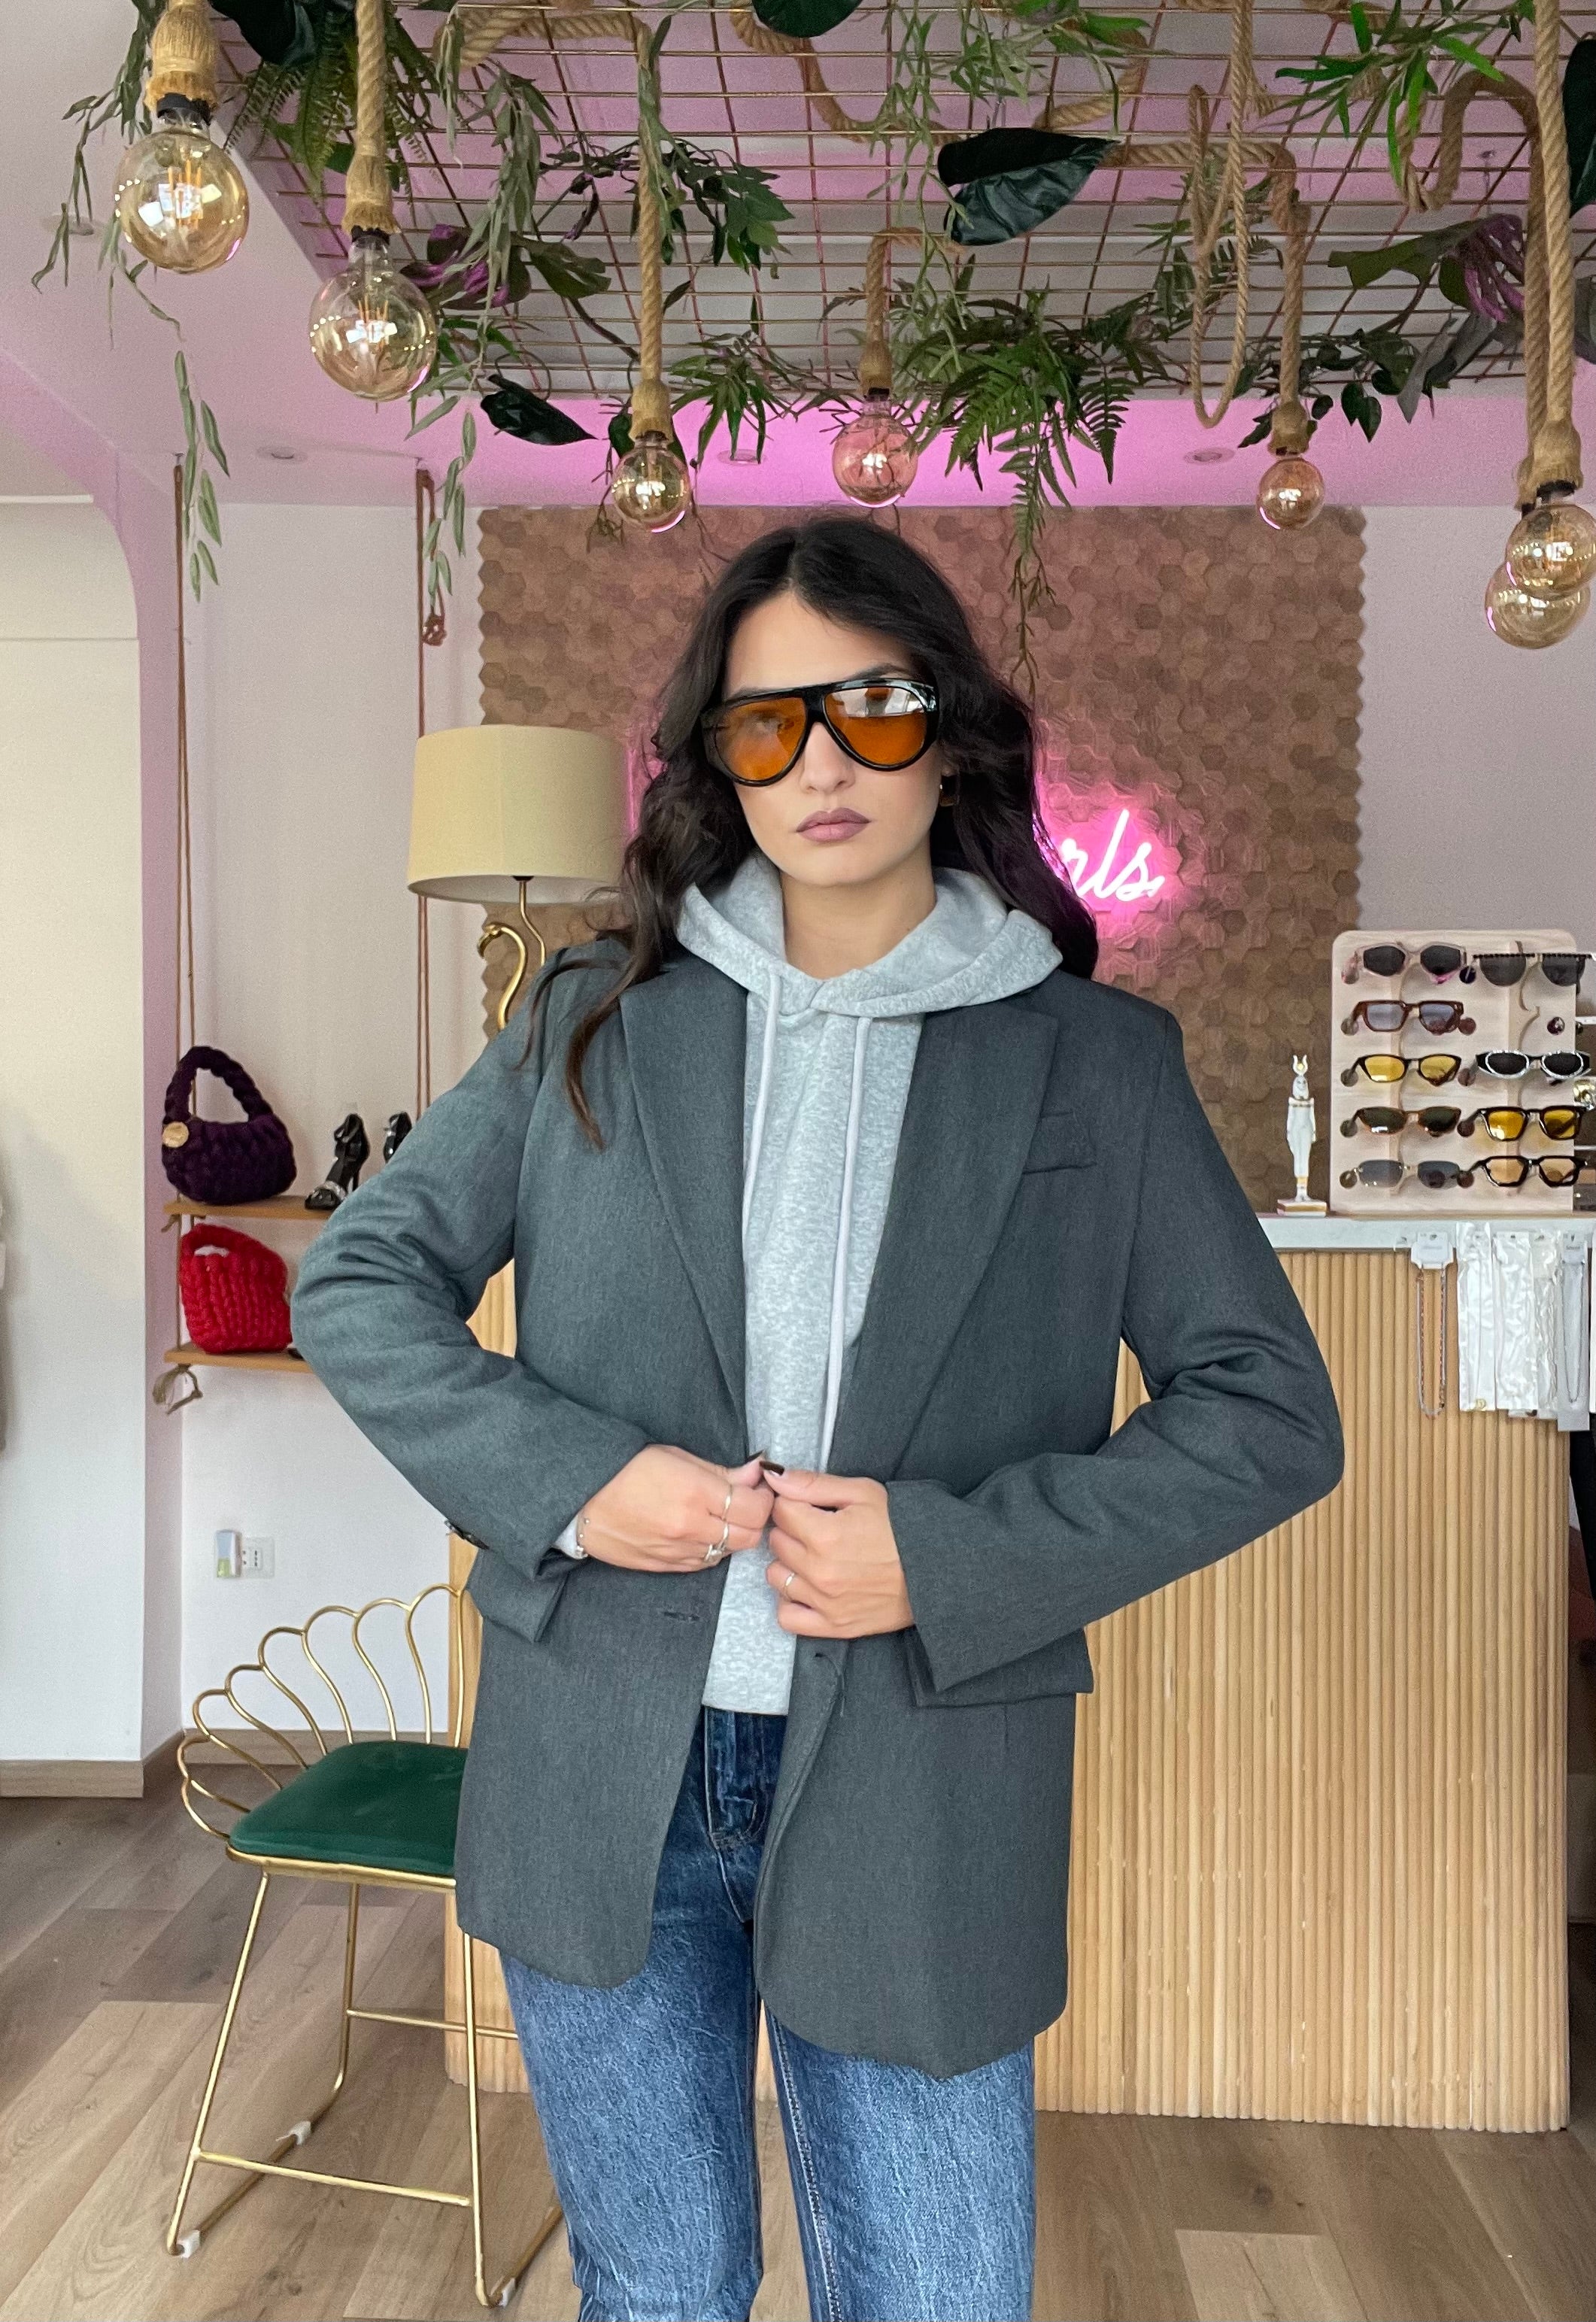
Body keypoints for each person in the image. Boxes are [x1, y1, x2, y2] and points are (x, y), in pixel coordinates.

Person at [291, 516, 1343, 2322]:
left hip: (924, 1772)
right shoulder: (590, 1015)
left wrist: (945, 1553)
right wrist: (575, 1480)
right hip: (599, 1755)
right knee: (658, 2289)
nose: (821, 765)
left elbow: (1266, 1411)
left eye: (872, 707)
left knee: (938, 2295)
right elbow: (360, 1280)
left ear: (951, 728)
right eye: (766, 723)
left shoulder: (1095, 1065)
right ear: (717, 759)